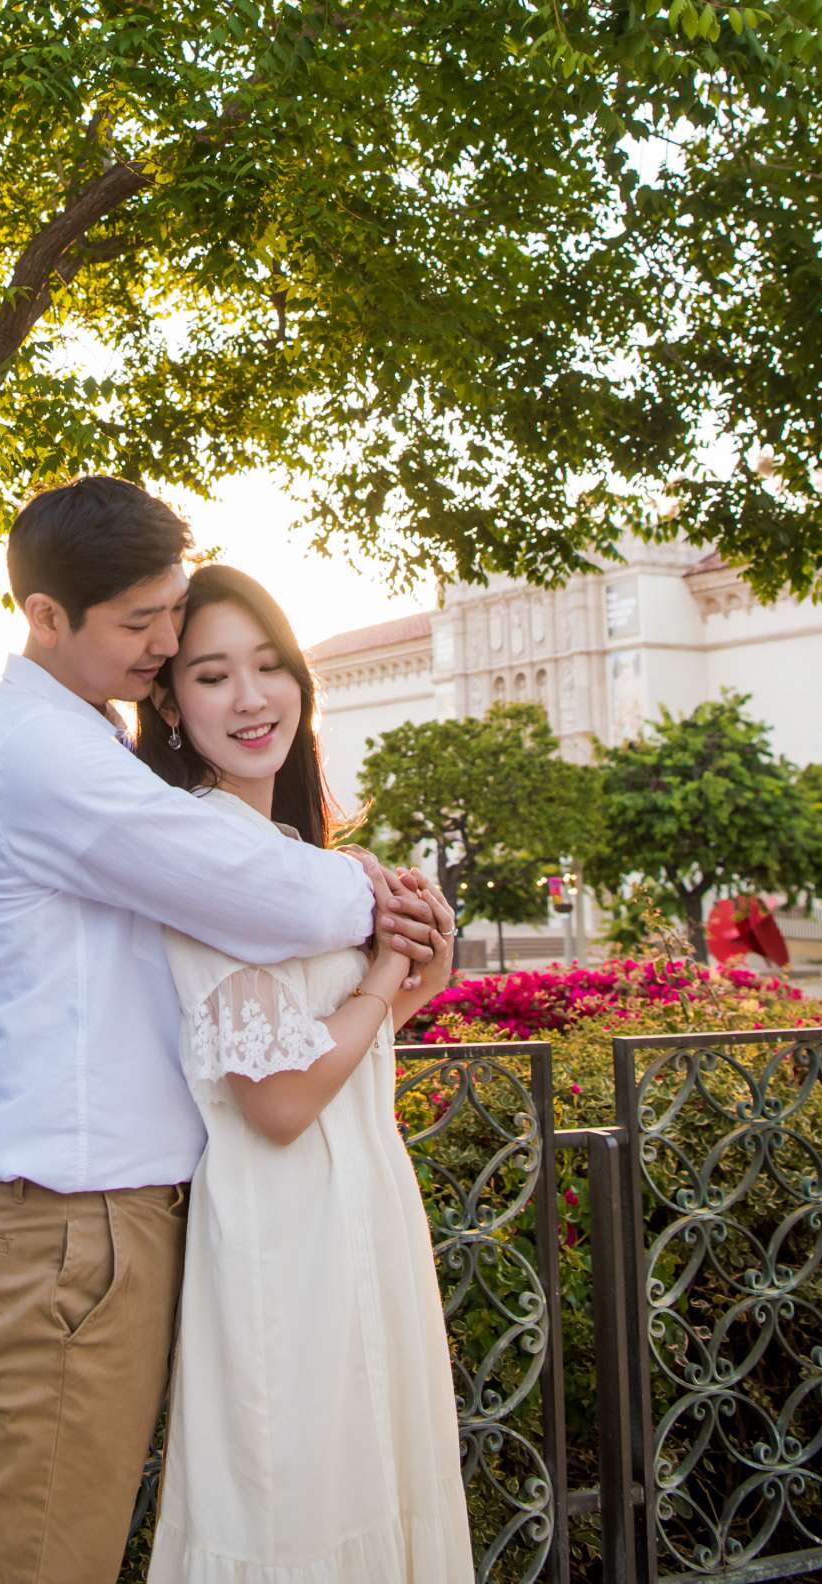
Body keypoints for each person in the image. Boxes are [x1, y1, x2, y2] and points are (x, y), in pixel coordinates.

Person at [0, 477, 444, 1584]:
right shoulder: (44, 754)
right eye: (144, 627)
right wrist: (375, 896)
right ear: (45, 617)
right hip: (75, 1228)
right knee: (44, 1559)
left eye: (173, 614)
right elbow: (259, 894)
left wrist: (371, 930)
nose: (162, 644)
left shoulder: (85, 745)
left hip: (114, 1222)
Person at [136, 564, 475, 1584]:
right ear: (165, 698)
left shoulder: (286, 849)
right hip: (286, 1232)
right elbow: (278, 1101)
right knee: (299, 1512)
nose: (250, 698)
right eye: (211, 674)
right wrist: (380, 980)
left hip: (363, 1208)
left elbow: (327, 1051)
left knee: (378, 1486)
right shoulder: (204, 849)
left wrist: (416, 981)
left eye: (271, 666)